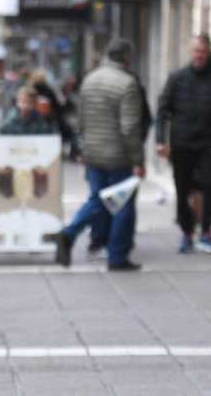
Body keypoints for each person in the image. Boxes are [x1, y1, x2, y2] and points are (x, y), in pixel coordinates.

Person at [57, 39, 145, 271]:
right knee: (122, 206)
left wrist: (83, 150)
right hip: (119, 157)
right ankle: (117, 257)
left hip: (94, 154)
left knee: (98, 201)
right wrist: (137, 160)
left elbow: (81, 121)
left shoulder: (90, 80)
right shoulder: (128, 83)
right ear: (126, 58)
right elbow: (129, 127)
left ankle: (68, 233)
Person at [155, 34, 211, 254]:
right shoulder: (177, 78)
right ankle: (187, 232)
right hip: (181, 145)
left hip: (208, 144)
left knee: (209, 187)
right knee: (182, 190)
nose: (199, 55)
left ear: (208, 53)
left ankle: (207, 231)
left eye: (203, 51)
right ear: (190, 53)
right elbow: (162, 111)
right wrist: (161, 140)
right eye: (196, 51)